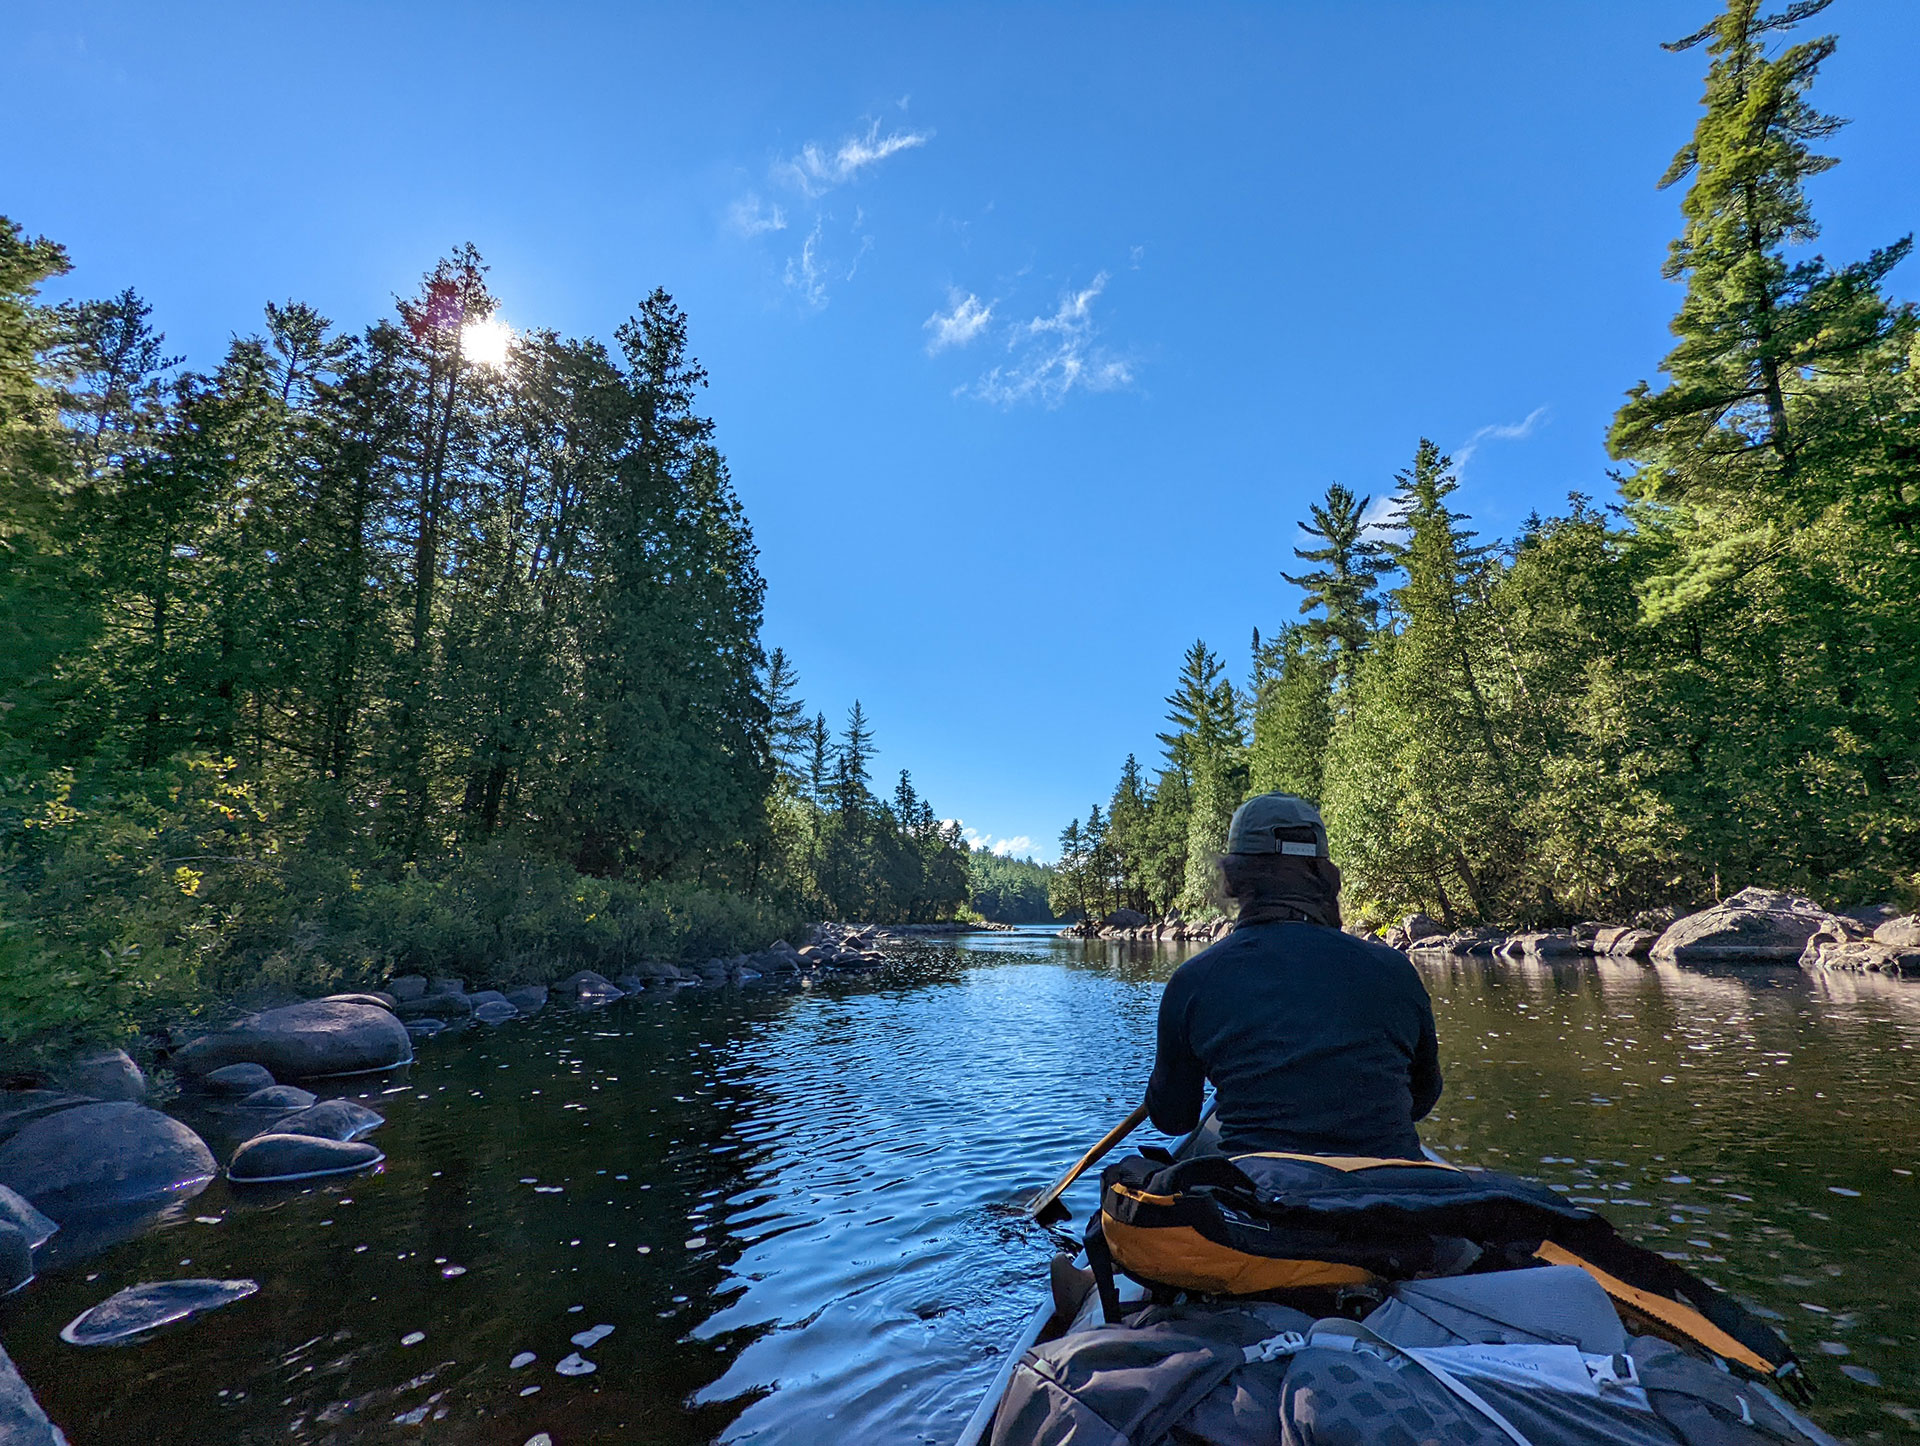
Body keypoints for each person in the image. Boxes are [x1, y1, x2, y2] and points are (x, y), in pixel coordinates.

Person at [1144, 792, 1441, 1160]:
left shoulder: (1195, 980)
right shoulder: (1395, 969)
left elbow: (1175, 1119)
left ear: (1233, 878)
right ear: (1324, 875)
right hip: (1394, 1199)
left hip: (1264, 1203)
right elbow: (1420, 1101)